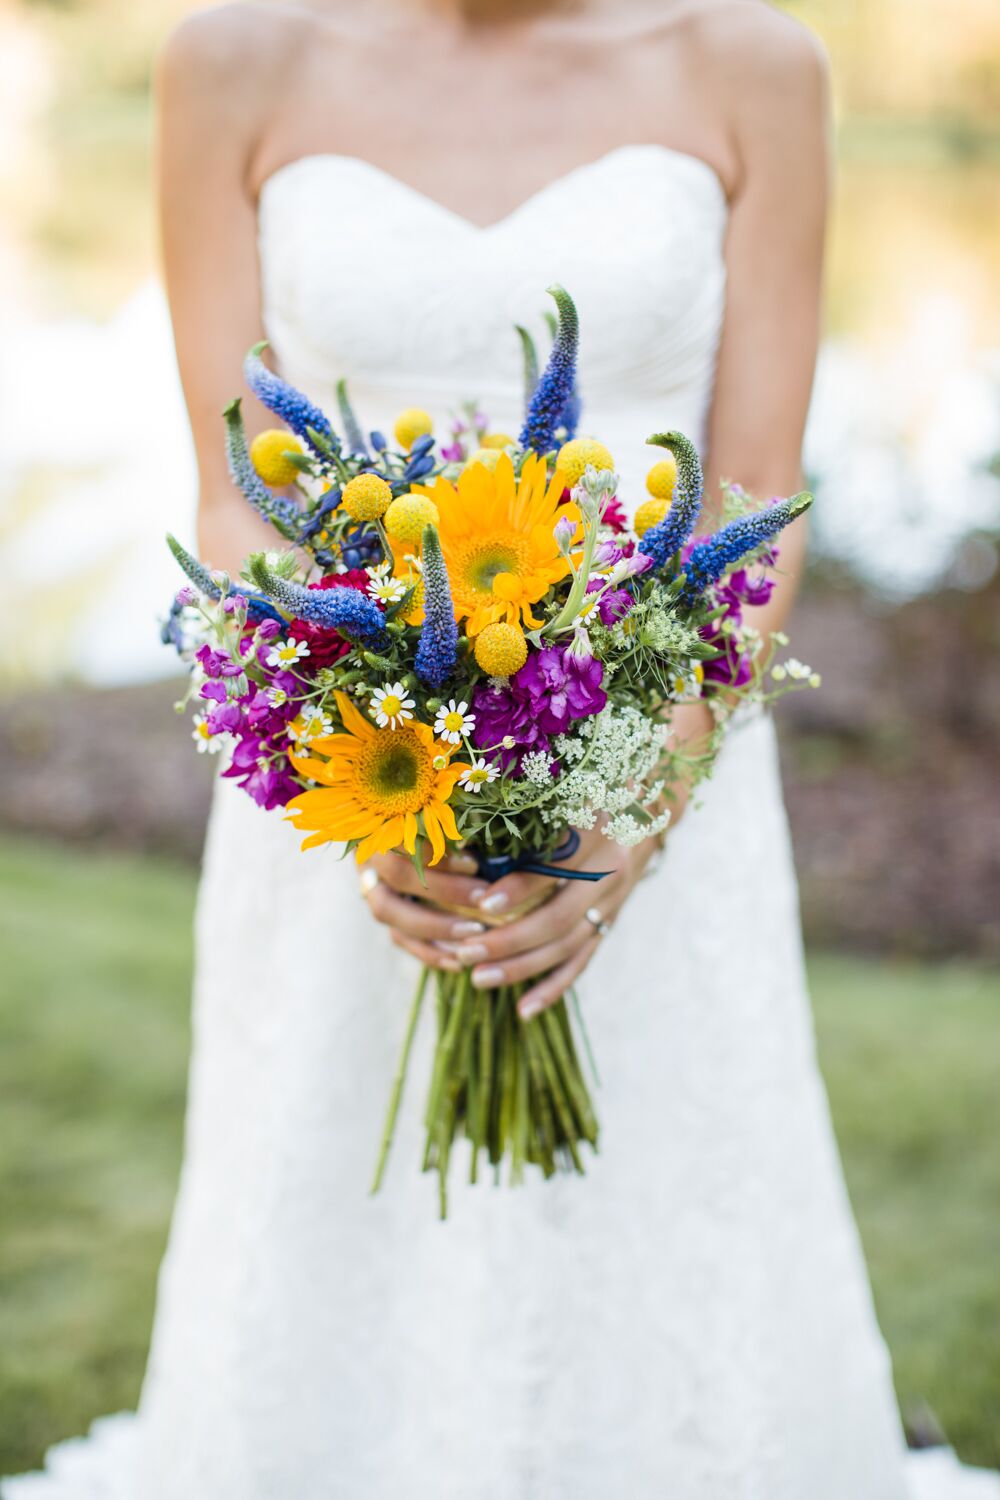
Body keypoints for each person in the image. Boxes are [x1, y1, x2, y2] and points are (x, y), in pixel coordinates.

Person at [5, 1, 997, 1496]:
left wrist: (637, 811)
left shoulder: (755, 65)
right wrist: (353, 740)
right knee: (336, 1194)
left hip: (665, 756)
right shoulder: (232, 59)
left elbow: (757, 488)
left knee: (670, 1221)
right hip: (351, 771)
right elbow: (231, 494)